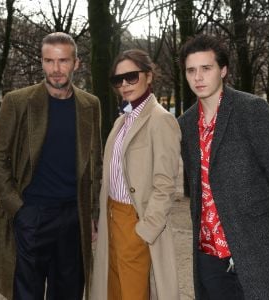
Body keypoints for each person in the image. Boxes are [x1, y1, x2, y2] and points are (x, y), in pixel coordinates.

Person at [0, 32, 102, 300]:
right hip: (32, 214)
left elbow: (95, 165)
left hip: (74, 216)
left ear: (76, 63)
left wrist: (93, 215)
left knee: (69, 292)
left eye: (63, 61)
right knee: (27, 293)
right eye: (49, 61)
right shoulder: (18, 101)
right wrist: (18, 208)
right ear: (42, 62)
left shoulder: (90, 104)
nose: (56, 70)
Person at [178, 34, 269, 300]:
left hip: (255, 249)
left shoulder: (252, 110)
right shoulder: (185, 124)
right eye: (191, 70)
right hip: (208, 254)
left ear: (223, 70)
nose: (198, 77)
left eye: (206, 68)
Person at [90, 49, 181, 300]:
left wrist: (145, 229)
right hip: (112, 216)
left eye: (131, 76)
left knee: (133, 293)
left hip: (135, 221)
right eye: (118, 80)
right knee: (113, 291)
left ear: (148, 76)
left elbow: (165, 183)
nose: (124, 85)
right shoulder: (123, 119)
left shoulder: (161, 120)